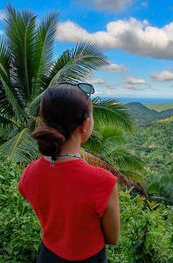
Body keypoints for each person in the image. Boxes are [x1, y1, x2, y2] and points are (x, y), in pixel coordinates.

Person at [18, 83, 120, 263]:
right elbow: (112, 238)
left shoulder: (30, 173)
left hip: (48, 256)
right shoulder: (103, 181)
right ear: (85, 124)